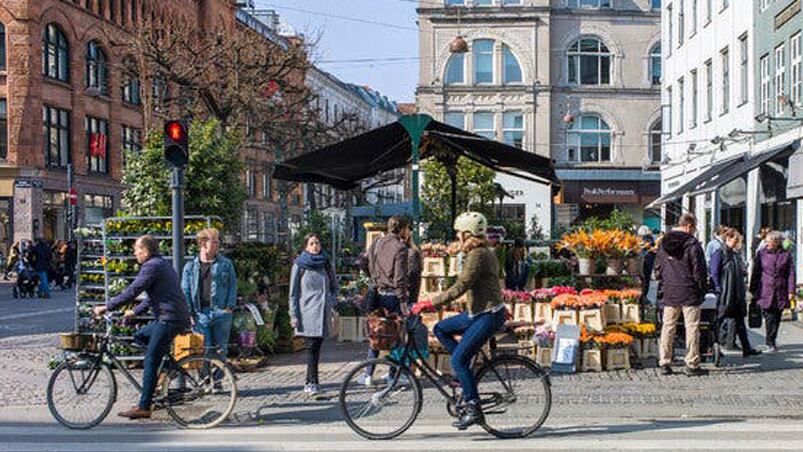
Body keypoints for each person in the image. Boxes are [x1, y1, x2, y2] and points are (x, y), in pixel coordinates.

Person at [412, 212, 507, 430]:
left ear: (467, 234)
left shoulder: (478, 255)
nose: (456, 236)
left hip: (487, 314)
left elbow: (462, 285)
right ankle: (466, 372)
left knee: (457, 362)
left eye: (458, 233)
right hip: (479, 311)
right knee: (440, 328)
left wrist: (431, 303)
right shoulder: (480, 251)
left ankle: (473, 407)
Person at [93, 235, 191, 420]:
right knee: (140, 336)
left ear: (145, 251)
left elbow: (133, 291)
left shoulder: (151, 266)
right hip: (170, 316)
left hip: (168, 319)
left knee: (150, 360)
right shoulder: (160, 263)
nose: (134, 253)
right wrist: (135, 312)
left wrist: (106, 306)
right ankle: (166, 369)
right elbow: (153, 296)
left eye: (137, 250)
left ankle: (144, 406)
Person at [358, 216, 411, 386]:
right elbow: (400, 279)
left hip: (378, 294)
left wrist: (373, 276)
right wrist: (404, 303)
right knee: (395, 335)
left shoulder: (376, 244)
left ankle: (368, 374)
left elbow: (362, 261)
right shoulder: (400, 248)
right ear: (402, 229)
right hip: (393, 296)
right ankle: (392, 374)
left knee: (376, 333)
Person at [655, 213, 709, 377]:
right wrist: (702, 288)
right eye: (694, 228)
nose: (694, 231)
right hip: (689, 290)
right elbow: (699, 270)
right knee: (692, 327)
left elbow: (658, 268)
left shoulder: (664, 243)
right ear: (688, 226)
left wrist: (664, 281)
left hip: (670, 291)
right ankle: (692, 363)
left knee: (668, 327)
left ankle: (664, 362)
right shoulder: (692, 244)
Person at [289, 233, 338, 396]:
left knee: (317, 347)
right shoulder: (300, 265)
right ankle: (312, 382)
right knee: (310, 347)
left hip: (323, 311)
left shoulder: (325, 263)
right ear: (305, 247)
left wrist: (331, 301)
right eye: (311, 243)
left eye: (317, 242)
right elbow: (293, 293)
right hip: (307, 312)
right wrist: (293, 314)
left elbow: (334, 286)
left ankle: (311, 381)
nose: (315, 246)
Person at [182, 228, 237, 362]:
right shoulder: (190, 266)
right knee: (203, 350)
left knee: (221, 350)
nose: (217, 245)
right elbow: (185, 290)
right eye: (214, 242)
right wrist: (189, 313)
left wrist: (229, 308)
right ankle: (204, 380)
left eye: (218, 242)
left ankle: (218, 381)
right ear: (202, 243)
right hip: (200, 313)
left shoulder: (225, 264)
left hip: (221, 311)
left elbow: (233, 286)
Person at [709, 230, 762, 358]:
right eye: (736, 240)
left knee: (740, 322)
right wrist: (718, 288)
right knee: (718, 321)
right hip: (725, 293)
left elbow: (739, 270)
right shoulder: (719, 253)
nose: (738, 243)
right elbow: (714, 272)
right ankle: (714, 347)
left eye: (739, 241)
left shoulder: (735, 255)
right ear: (728, 238)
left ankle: (746, 347)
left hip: (736, 293)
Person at [750, 231, 796, 353]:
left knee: (777, 317)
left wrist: (791, 290)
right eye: (767, 242)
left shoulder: (786, 255)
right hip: (765, 289)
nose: (767, 244)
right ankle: (770, 342)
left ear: (777, 243)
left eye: (770, 242)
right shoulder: (761, 254)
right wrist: (752, 288)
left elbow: (791, 273)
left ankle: (772, 339)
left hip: (780, 290)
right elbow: (756, 272)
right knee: (769, 316)